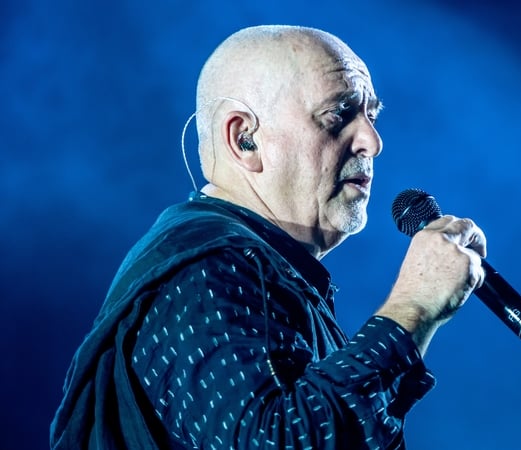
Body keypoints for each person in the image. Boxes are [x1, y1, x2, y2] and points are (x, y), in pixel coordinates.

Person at [51, 25, 486, 450]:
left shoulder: (255, 267)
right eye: (339, 113)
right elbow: (277, 440)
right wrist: (413, 308)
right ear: (245, 139)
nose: (372, 141)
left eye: (371, 115)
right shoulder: (207, 269)